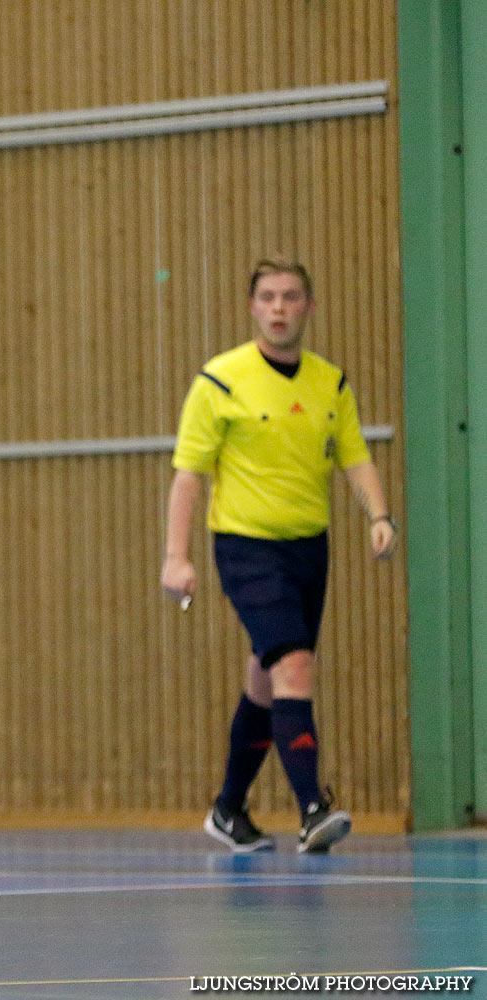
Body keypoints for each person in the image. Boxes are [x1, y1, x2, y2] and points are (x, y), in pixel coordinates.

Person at [161, 256, 395, 855]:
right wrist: (175, 556)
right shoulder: (220, 381)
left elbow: (354, 455)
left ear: (308, 307)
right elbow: (188, 474)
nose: (280, 308)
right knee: (295, 667)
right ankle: (313, 808)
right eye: (268, 297)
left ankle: (228, 808)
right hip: (245, 547)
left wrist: (379, 515)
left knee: (268, 680)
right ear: (252, 307)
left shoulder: (329, 383)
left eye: (291, 297)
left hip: (308, 549)